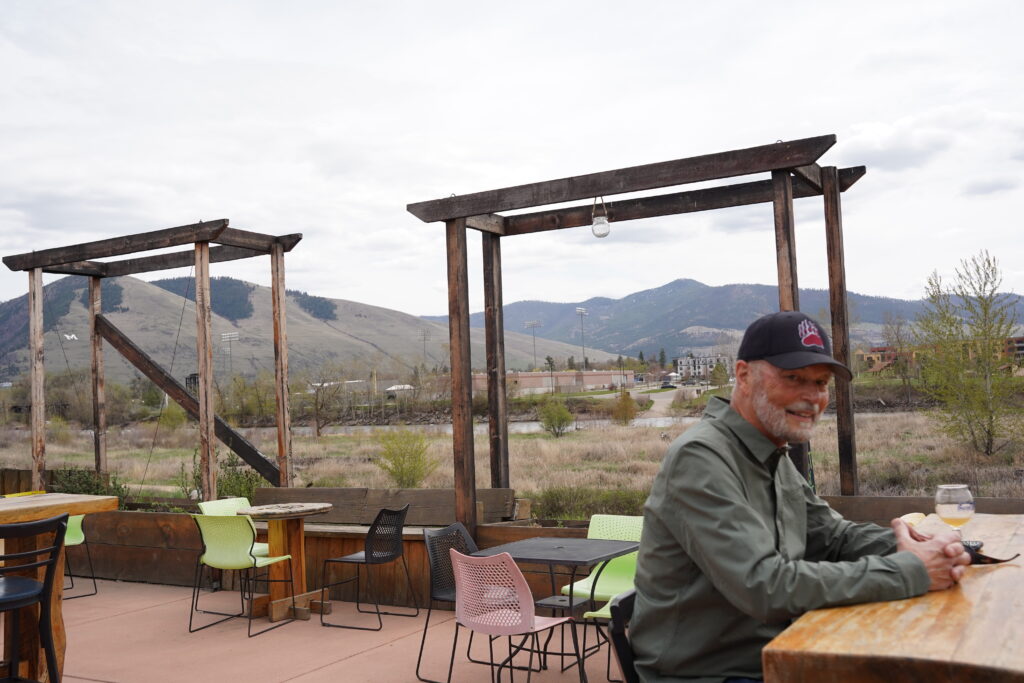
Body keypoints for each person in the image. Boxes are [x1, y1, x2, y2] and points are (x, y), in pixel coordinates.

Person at [631, 311, 970, 683]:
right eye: (793, 378)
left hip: (782, 650)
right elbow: (764, 586)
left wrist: (924, 547)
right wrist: (909, 571)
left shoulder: (769, 451)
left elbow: (834, 537)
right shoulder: (701, 457)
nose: (812, 397)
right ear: (743, 376)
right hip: (709, 674)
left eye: (821, 383)